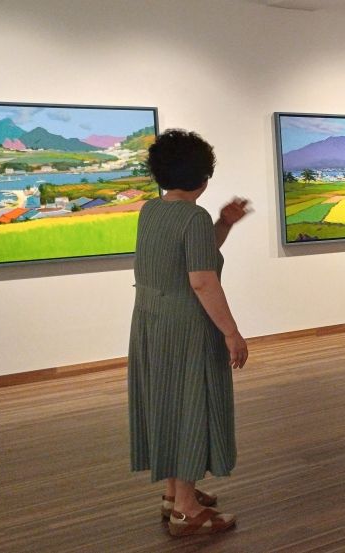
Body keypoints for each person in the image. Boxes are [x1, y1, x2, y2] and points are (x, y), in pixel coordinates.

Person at [128, 129, 250, 536]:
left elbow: (195, 252)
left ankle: (173, 493)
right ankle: (186, 510)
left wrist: (224, 223)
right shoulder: (193, 217)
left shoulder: (151, 210)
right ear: (203, 176)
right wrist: (231, 332)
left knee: (167, 404)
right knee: (190, 407)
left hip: (151, 323)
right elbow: (202, 280)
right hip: (185, 327)